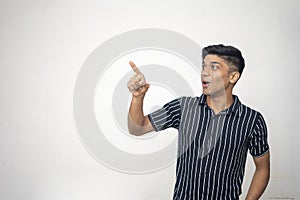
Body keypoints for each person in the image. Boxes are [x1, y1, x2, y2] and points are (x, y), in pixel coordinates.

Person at [127, 44, 270, 200]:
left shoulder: (252, 120)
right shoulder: (183, 107)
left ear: (233, 76)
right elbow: (137, 128)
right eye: (204, 66)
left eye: (214, 67)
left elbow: (262, 169)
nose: (204, 73)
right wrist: (137, 97)